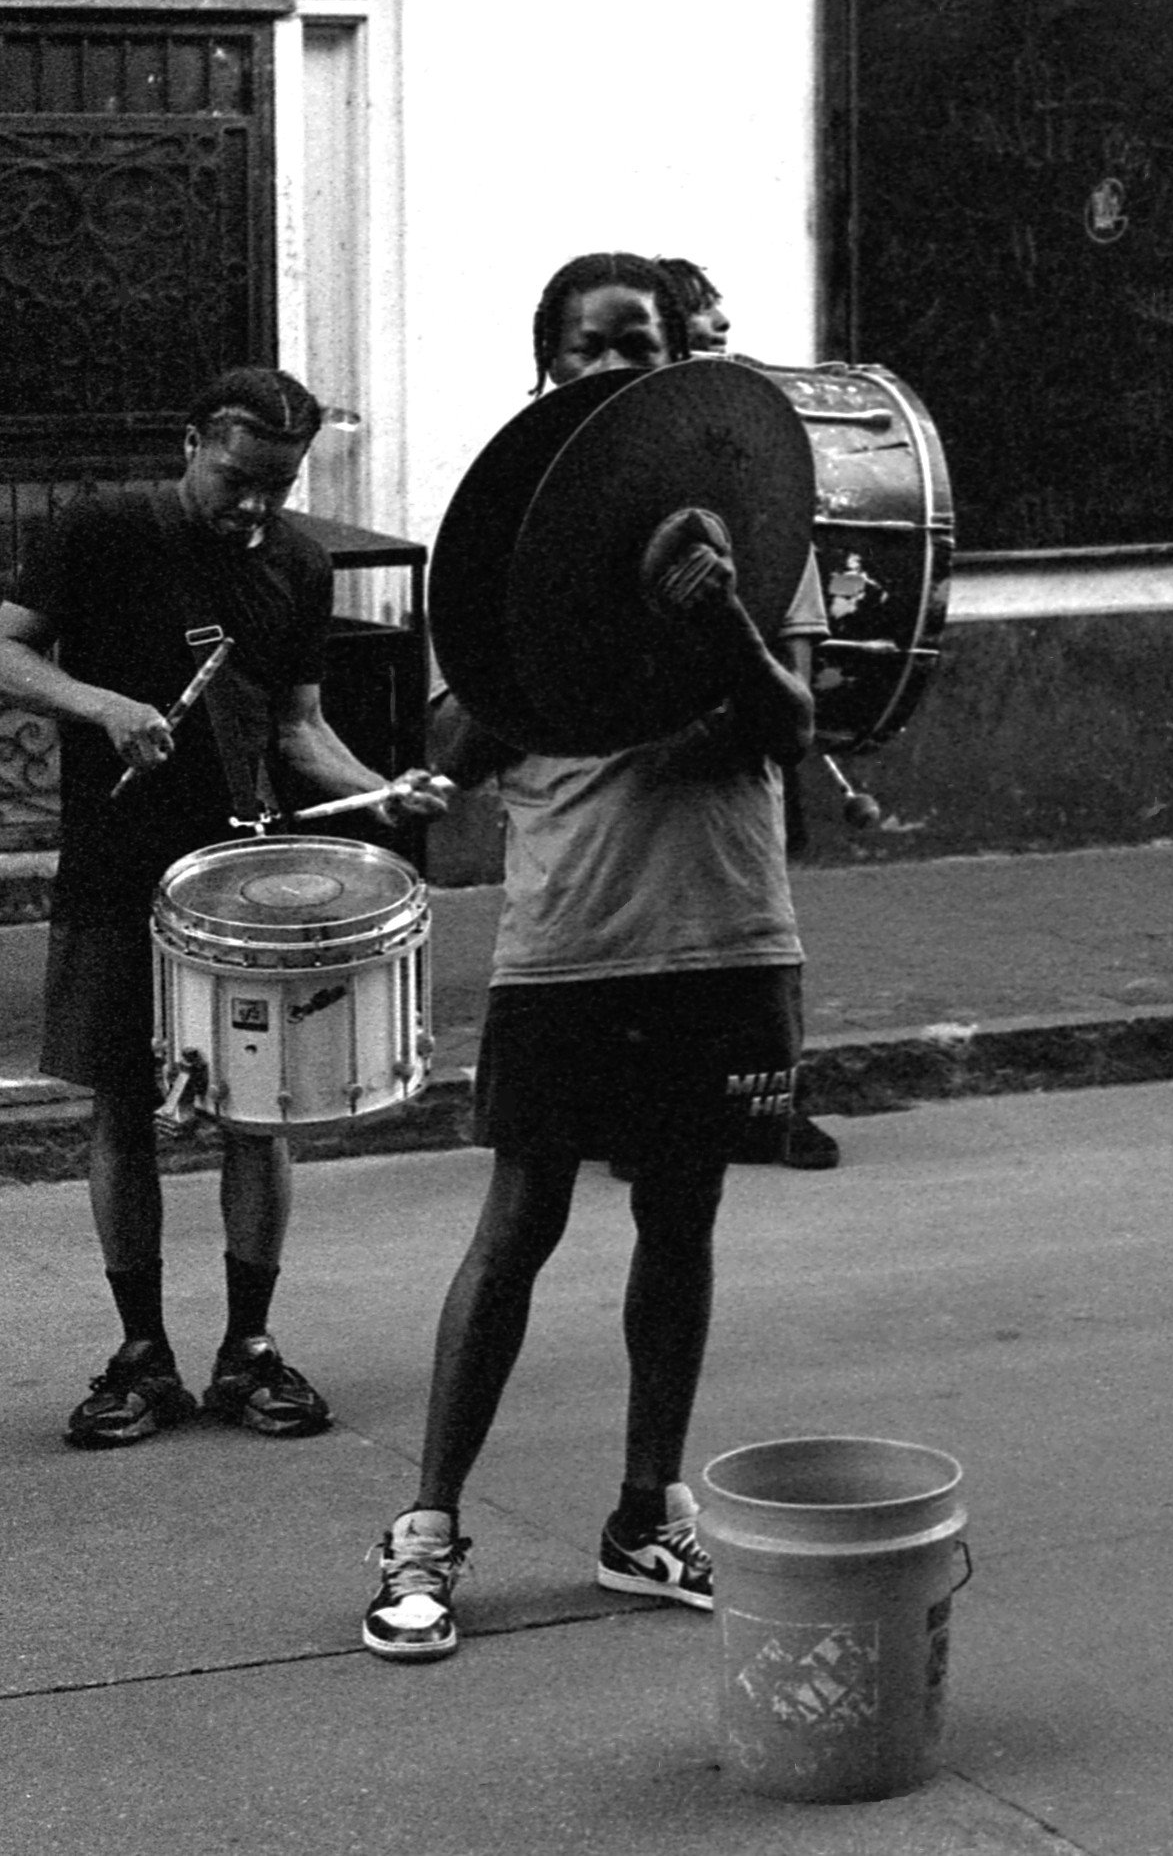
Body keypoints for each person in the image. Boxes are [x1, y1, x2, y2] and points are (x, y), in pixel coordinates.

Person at [363, 250, 825, 1663]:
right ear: (546, 365)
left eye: (643, 341)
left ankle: (644, 1512)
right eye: (588, 346)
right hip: (568, 939)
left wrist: (719, 615)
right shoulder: (507, 531)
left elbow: (790, 723)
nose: (614, 363)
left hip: (723, 924)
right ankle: (426, 1530)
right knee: (519, 1222)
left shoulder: (746, 510)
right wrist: (550, 642)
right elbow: (446, 743)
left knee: (678, 1221)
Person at [0, 369, 447, 1448]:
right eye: (238, 479)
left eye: (278, 486)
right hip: (118, 859)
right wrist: (101, 704)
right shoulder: (103, 528)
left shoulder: (294, 560)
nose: (255, 506)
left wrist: (382, 790)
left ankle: (248, 1346)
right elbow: (5, 647)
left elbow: (300, 725)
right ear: (192, 439)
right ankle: (140, 1353)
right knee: (120, 1105)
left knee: (261, 1105)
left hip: (243, 867)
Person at [655, 251, 840, 1174]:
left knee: (753, 934)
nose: (723, 354)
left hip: (727, 771)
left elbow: (792, 684)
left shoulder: (760, 497)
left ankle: (772, 1101)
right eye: (701, 339)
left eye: (724, 337)